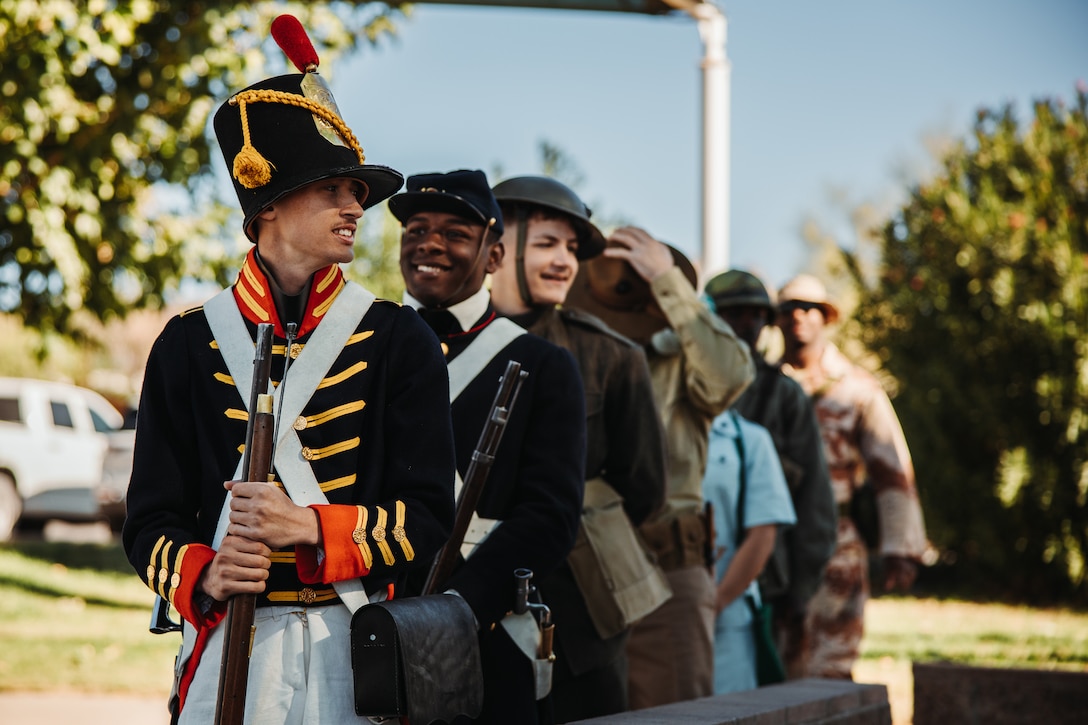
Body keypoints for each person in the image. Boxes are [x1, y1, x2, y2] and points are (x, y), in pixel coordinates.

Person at [122, 17, 455, 724]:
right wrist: (204, 571)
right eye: (334, 188)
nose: (355, 205)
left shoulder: (400, 340)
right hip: (228, 647)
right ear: (265, 204)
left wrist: (308, 527)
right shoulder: (187, 343)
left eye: (357, 190)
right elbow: (148, 521)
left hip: (358, 643)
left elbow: (429, 520)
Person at [390, 169, 587, 725]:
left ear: (494, 256)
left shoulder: (546, 366)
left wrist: (455, 610)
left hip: (484, 625)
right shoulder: (366, 349)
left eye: (454, 232)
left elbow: (549, 516)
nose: (429, 243)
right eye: (416, 230)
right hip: (369, 616)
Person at [488, 176, 668, 722]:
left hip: (580, 617)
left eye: (570, 248)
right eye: (547, 243)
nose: (566, 261)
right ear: (496, 246)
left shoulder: (613, 356)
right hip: (471, 608)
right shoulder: (432, 344)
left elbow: (644, 490)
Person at [565, 227, 754, 708]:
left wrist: (669, 282)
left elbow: (731, 375)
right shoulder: (578, 354)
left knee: (673, 713)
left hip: (668, 565)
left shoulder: (681, 361)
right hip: (580, 570)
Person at [775, 273, 927, 679]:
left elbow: (891, 467)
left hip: (837, 542)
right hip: (774, 541)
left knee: (833, 661)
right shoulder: (764, 387)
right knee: (778, 663)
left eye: (809, 309)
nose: (799, 318)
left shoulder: (857, 389)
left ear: (825, 318)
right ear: (776, 320)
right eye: (789, 310)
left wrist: (900, 546)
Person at [704, 270, 837, 677]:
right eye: (735, 314)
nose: (747, 325)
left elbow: (814, 500)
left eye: (756, 315)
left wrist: (800, 591)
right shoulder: (678, 385)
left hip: (768, 585)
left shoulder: (784, 396)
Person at [702, 408, 796, 695]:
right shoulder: (653, 428)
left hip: (729, 618)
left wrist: (714, 603)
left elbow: (762, 534)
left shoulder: (748, 439)